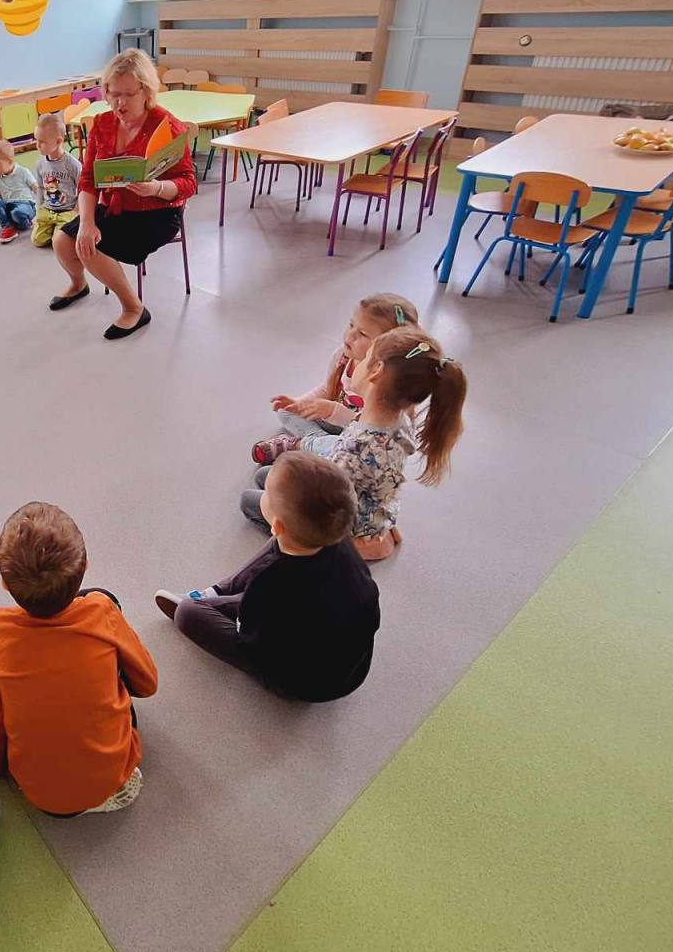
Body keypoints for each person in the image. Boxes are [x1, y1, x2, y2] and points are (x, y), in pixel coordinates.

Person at [0, 502, 158, 816]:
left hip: (40, 796)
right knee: (105, 598)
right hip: (112, 779)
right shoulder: (101, 610)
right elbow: (147, 685)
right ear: (86, 565)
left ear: (5, 583)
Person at [156, 453, 380, 701]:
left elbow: (252, 639)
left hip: (306, 683)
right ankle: (218, 592)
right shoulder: (340, 541)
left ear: (277, 526)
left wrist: (235, 605)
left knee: (188, 612)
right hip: (348, 664)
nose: (264, 494)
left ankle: (207, 598)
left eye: (268, 496)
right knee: (264, 501)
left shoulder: (268, 583)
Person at [260, 326, 467, 563]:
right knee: (269, 477)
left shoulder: (356, 449)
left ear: (376, 370)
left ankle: (341, 546)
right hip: (377, 510)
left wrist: (276, 504)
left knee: (257, 498)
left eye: (366, 356)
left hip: (345, 526)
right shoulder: (400, 420)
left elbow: (327, 500)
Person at [53, 49, 196, 339]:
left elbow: (189, 183)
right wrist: (87, 222)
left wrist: (156, 187)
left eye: (129, 95)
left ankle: (134, 308)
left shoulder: (167, 125)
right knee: (62, 241)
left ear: (146, 91)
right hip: (116, 208)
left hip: (157, 213)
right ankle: (79, 284)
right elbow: (88, 179)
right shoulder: (102, 124)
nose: (119, 103)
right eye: (113, 94)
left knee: (91, 249)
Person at [252, 292, 419, 466]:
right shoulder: (343, 356)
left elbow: (372, 433)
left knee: (350, 449)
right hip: (334, 423)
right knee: (285, 411)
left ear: (388, 350)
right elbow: (327, 388)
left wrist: (336, 412)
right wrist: (300, 405)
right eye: (351, 325)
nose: (350, 335)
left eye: (362, 334)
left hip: (361, 436)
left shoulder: (387, 383)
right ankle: (318, 443)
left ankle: (305, 445)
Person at [32, 112, 81, 249]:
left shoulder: (72, 164)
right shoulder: (40, 164)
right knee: (37, 240)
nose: (37, 145)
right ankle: (52, 227)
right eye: (36, 140)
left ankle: (59, 229)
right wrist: (39, 209)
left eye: (42, 141)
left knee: (59, 242)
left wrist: (77, 210)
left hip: (67, 211)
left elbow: (82, 188)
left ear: (58, 141)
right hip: (48, 210)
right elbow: (40, 188)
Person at [0, 138, 38, 244]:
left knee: (17, 213)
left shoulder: (23, 172)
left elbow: (36, 188)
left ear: (10, 161)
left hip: (25, 204)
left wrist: (43, 204)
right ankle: (8, 226)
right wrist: (1, 211)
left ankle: (24, 223)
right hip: (8, 205)